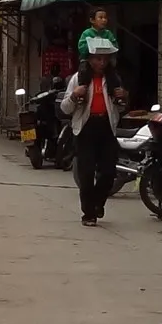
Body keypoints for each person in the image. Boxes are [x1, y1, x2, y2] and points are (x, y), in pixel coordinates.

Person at [61, 33, 127, 226]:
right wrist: (74, 95)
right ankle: (88, 213)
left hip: (106, 127)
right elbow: (65, 108)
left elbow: (120, 107)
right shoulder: (78, 79)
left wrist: (123, 96)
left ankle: (98, 202)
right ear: (89, 59)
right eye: (98, 58)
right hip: (85, 129)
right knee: (86, 173)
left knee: (108, 172)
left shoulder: (113, 80)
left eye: (105, 59)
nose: (102, 62)